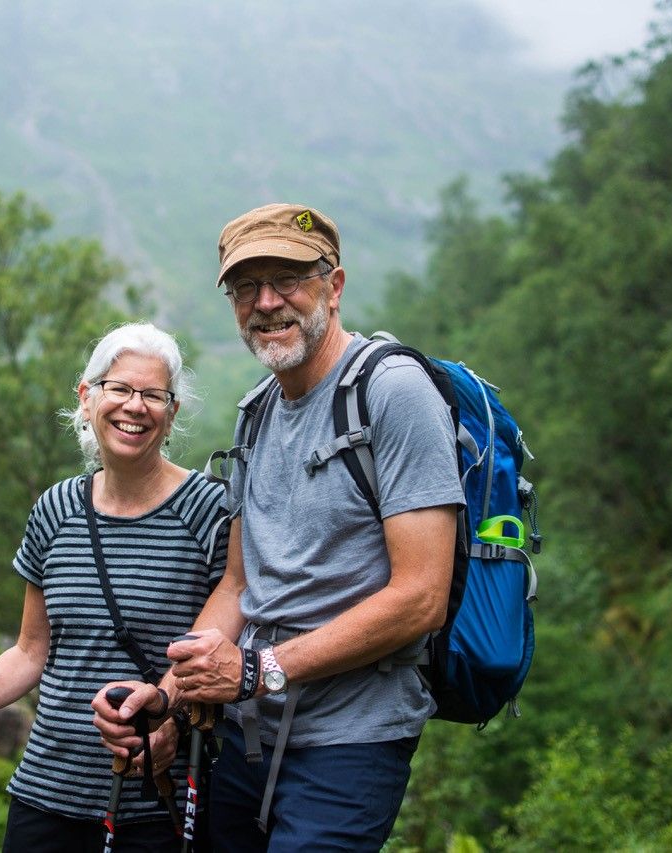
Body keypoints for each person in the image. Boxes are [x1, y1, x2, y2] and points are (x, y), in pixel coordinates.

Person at [93, 204, 463, 851]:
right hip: (246, 737)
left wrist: (258, 668)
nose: (266, 302)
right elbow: (240, 583)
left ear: (335, 285)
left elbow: (422, 596)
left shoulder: (391, 391)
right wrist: (166, 695)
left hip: (351, 741)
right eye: (246, 286)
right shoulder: (257, 411)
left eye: (287, 279)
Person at [0, 321, 230, 852]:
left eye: (153, 395)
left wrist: (171, 713)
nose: (135, 407)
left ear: (171, 412)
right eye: (120, 389)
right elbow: (29, 652)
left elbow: (226, 643)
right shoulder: (55, 510)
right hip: (45, 796)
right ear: (87, 398)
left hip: (155, 803)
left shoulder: (210, 511)